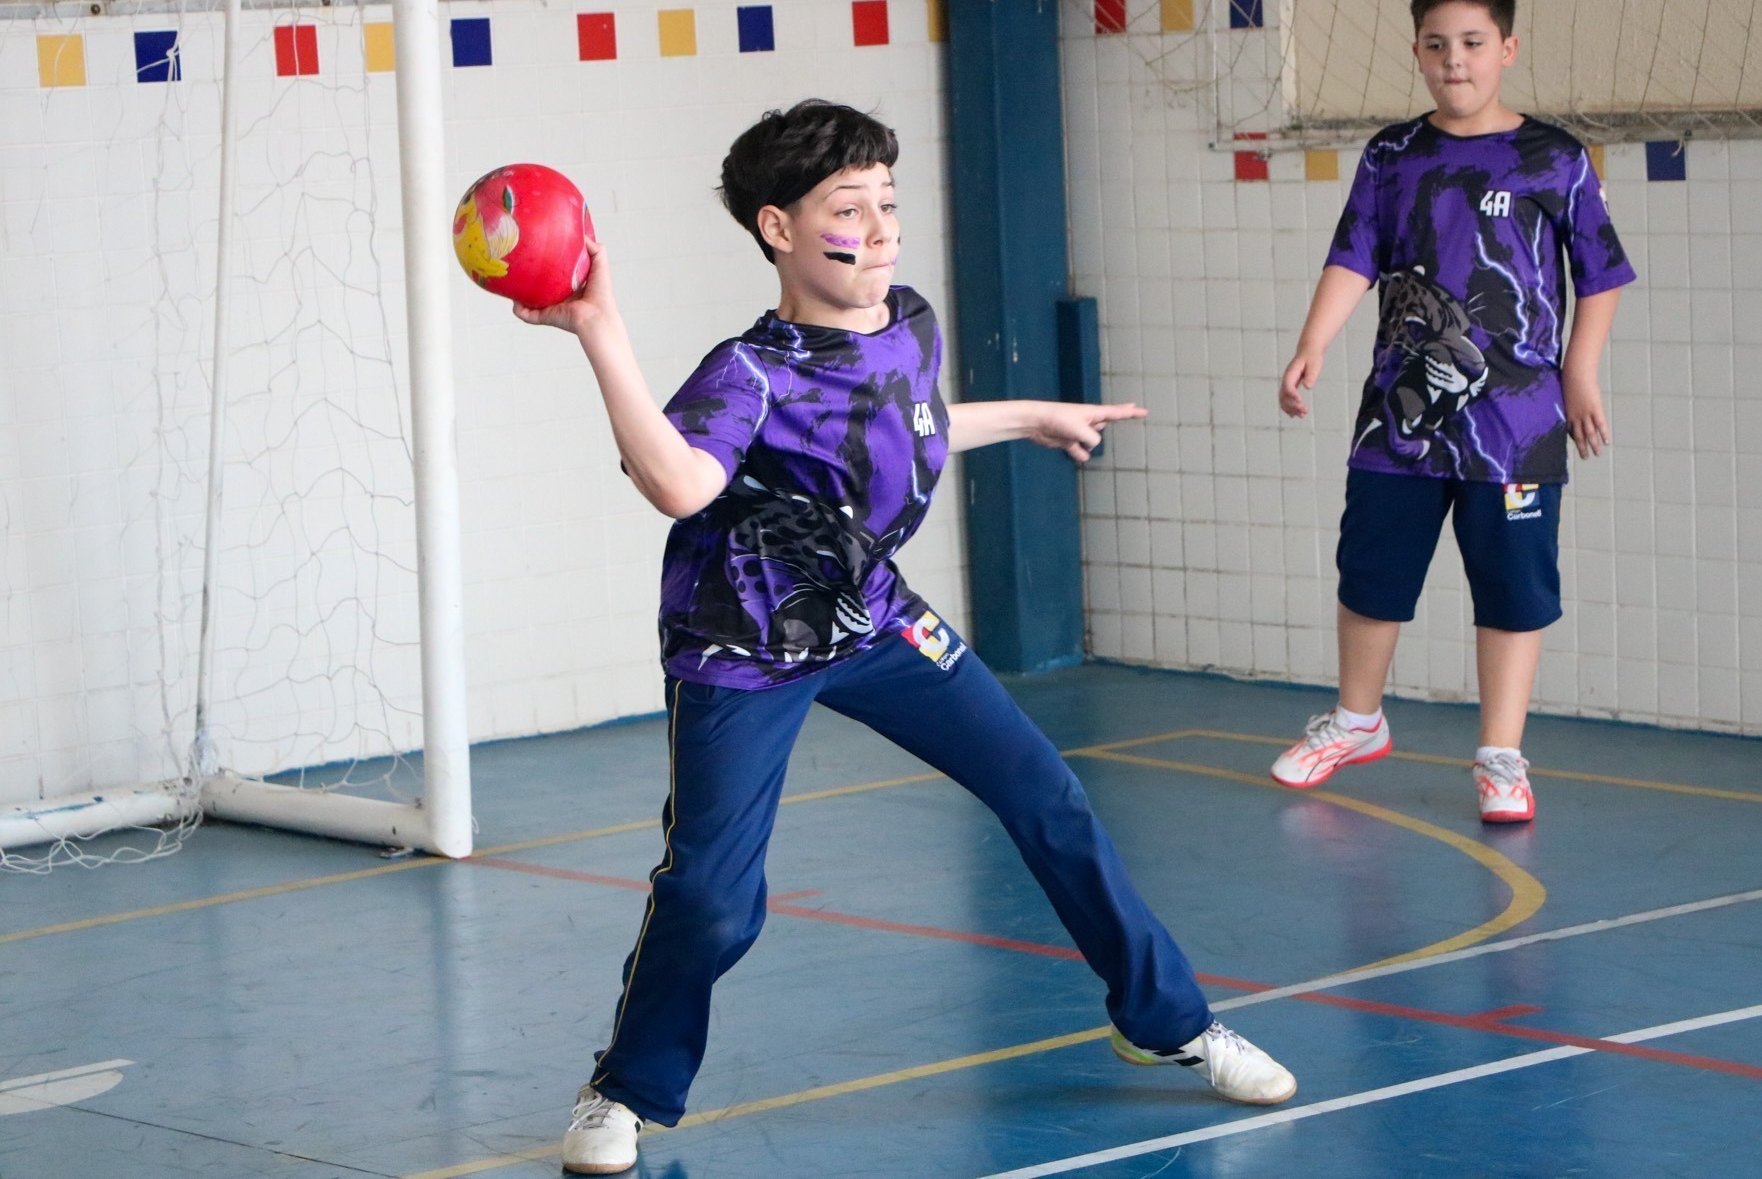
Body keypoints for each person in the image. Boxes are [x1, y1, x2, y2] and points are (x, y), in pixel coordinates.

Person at [519, 100, 1296, 1174]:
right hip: (744, 645)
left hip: (871, 616)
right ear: (778, 227)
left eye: (887, 200)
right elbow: (679, 482)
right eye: (849, 208)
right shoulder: (748, 372)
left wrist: (1028, 415)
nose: (881, 228)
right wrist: (601, 331)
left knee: (1047, 795)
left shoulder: (905, 319)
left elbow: (907, 431)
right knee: (712, 899)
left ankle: (1167, 1020)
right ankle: (623, 1090)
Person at [1269, 0, 1634, 824]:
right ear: (1417, 53)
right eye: (1436, 45)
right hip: (1400, 415)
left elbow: (1602, 275)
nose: (1454, 61)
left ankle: (1501, 756)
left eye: (1472, 43)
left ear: (1507, 48)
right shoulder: (1391, 155)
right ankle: (1357, 719)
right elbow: (1355, 253)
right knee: (1371, 567)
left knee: (1511, 585)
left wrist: (1579, 372)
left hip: (1518, 422)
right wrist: (1313, 342)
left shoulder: (1555, 158)